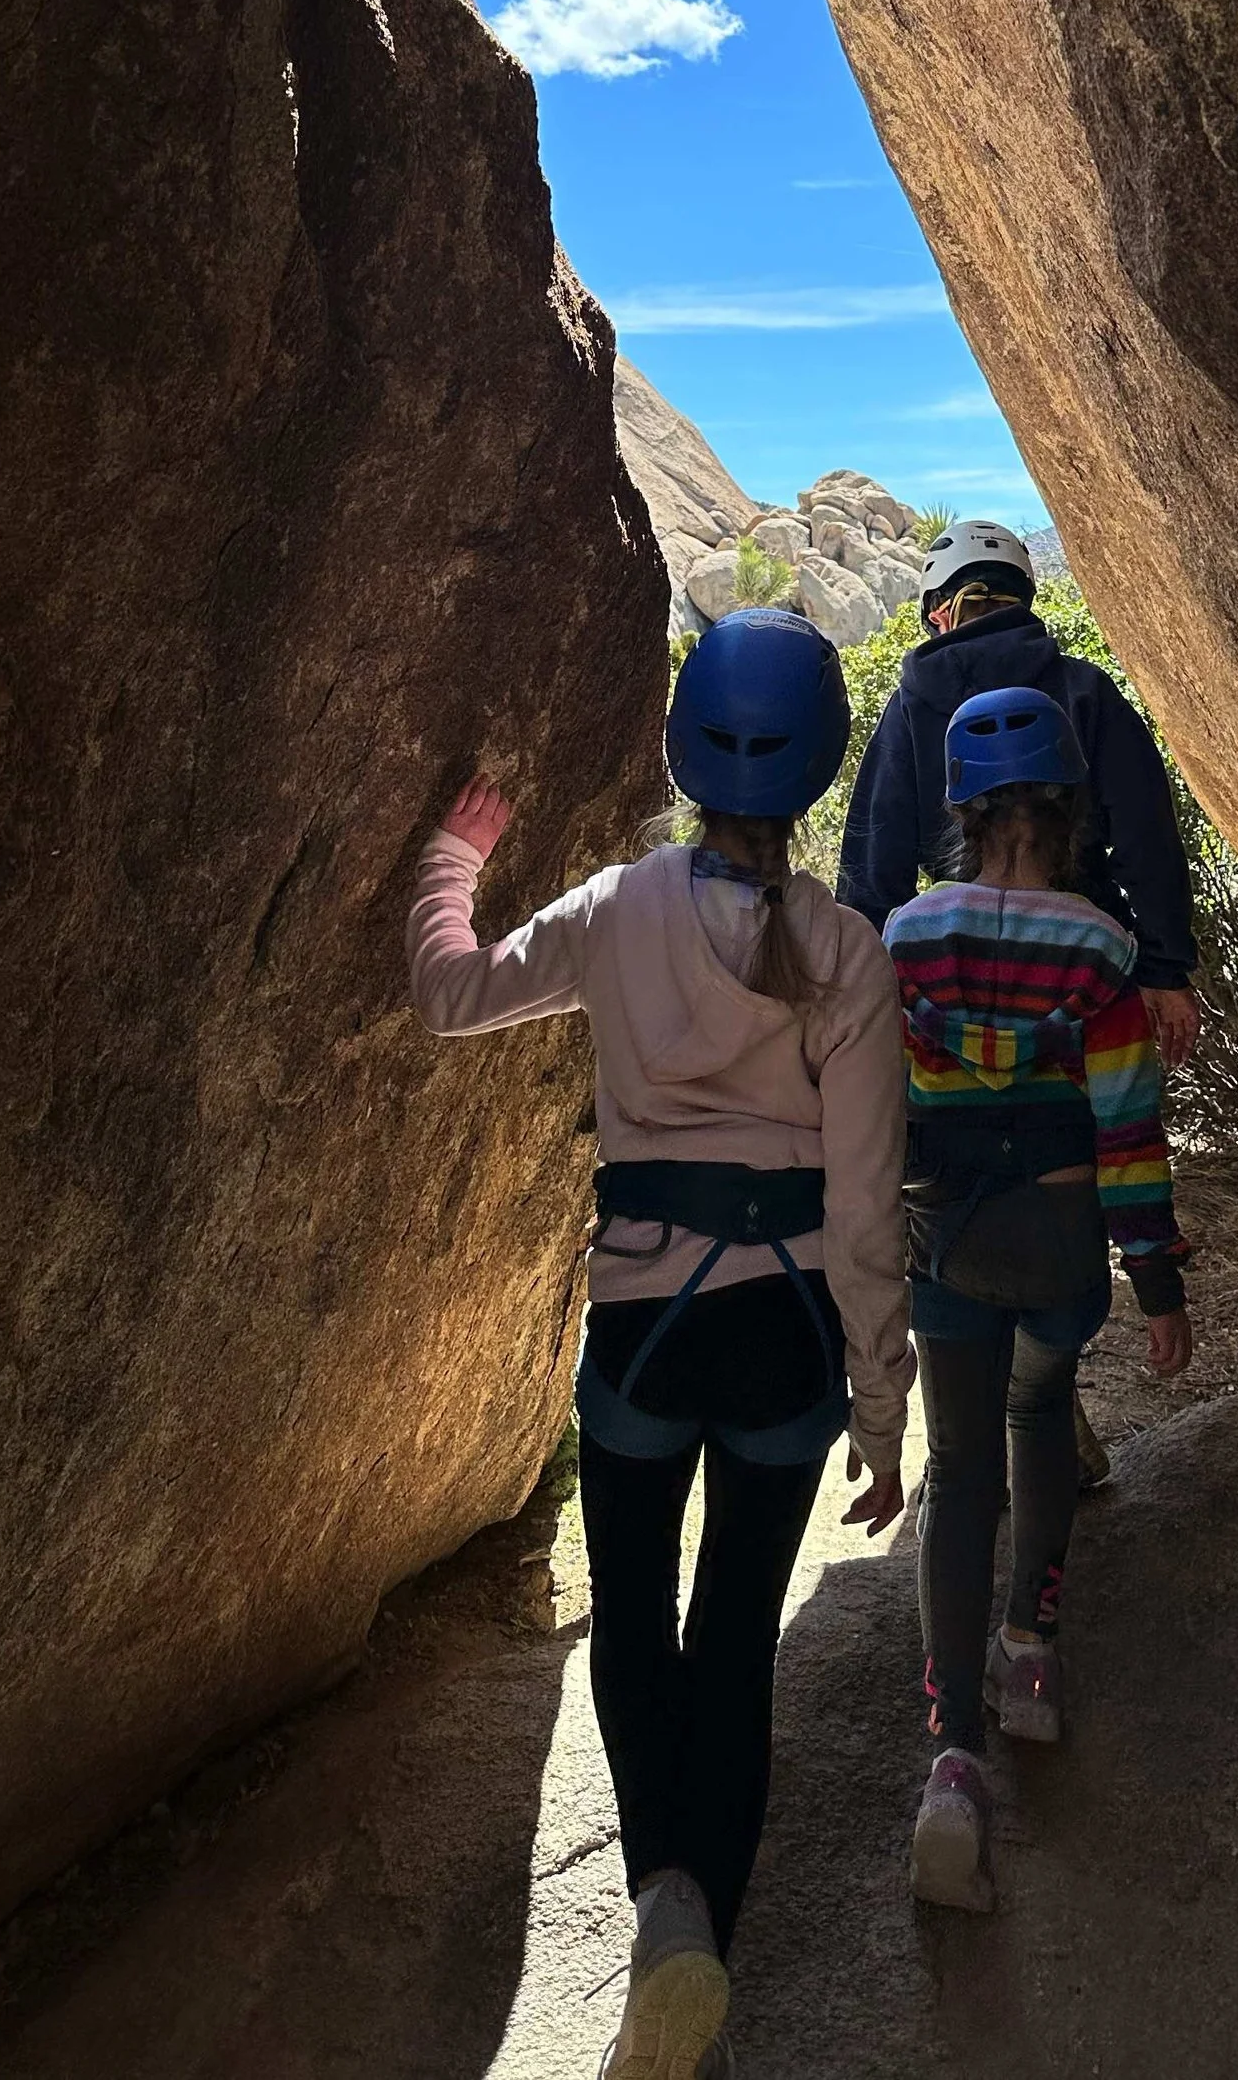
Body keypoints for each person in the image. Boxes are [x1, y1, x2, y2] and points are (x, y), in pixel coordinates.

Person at [408, 610, 912, 2080]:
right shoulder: (849, 952)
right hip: (792, 1336)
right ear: (816, 770)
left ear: (688, 752)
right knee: (736, 1638)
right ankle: (698, 1956)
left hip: (643, 1326)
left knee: (633, 1623)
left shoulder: (619, 908)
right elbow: (870, 1206)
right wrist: (880, 1408)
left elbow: (451, 995)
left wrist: (454, 862)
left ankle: (666, 1911)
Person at [884, 684, 1191, 1912]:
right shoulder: (1102, 955)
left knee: (956, 1472)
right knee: (1038, 1420)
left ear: (960, 809)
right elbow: (1128, 1128)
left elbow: (879, 1108)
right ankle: (1031, 1658)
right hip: (1060, 1242)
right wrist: (1156, 1278)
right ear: (1068, 810)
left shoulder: (903, 939)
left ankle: (951, 1759)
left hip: (943, 1244)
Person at [836, 517, 1203, 1073]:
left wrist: (865, 980)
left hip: (948, 964)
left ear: (938, 613)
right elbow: (1145, 836)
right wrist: (1163, 970)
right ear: (1024, 598)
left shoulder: (911, 704)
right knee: (1088, 1130)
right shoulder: (1086, 691)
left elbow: (876, 854)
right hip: (1084, 961)